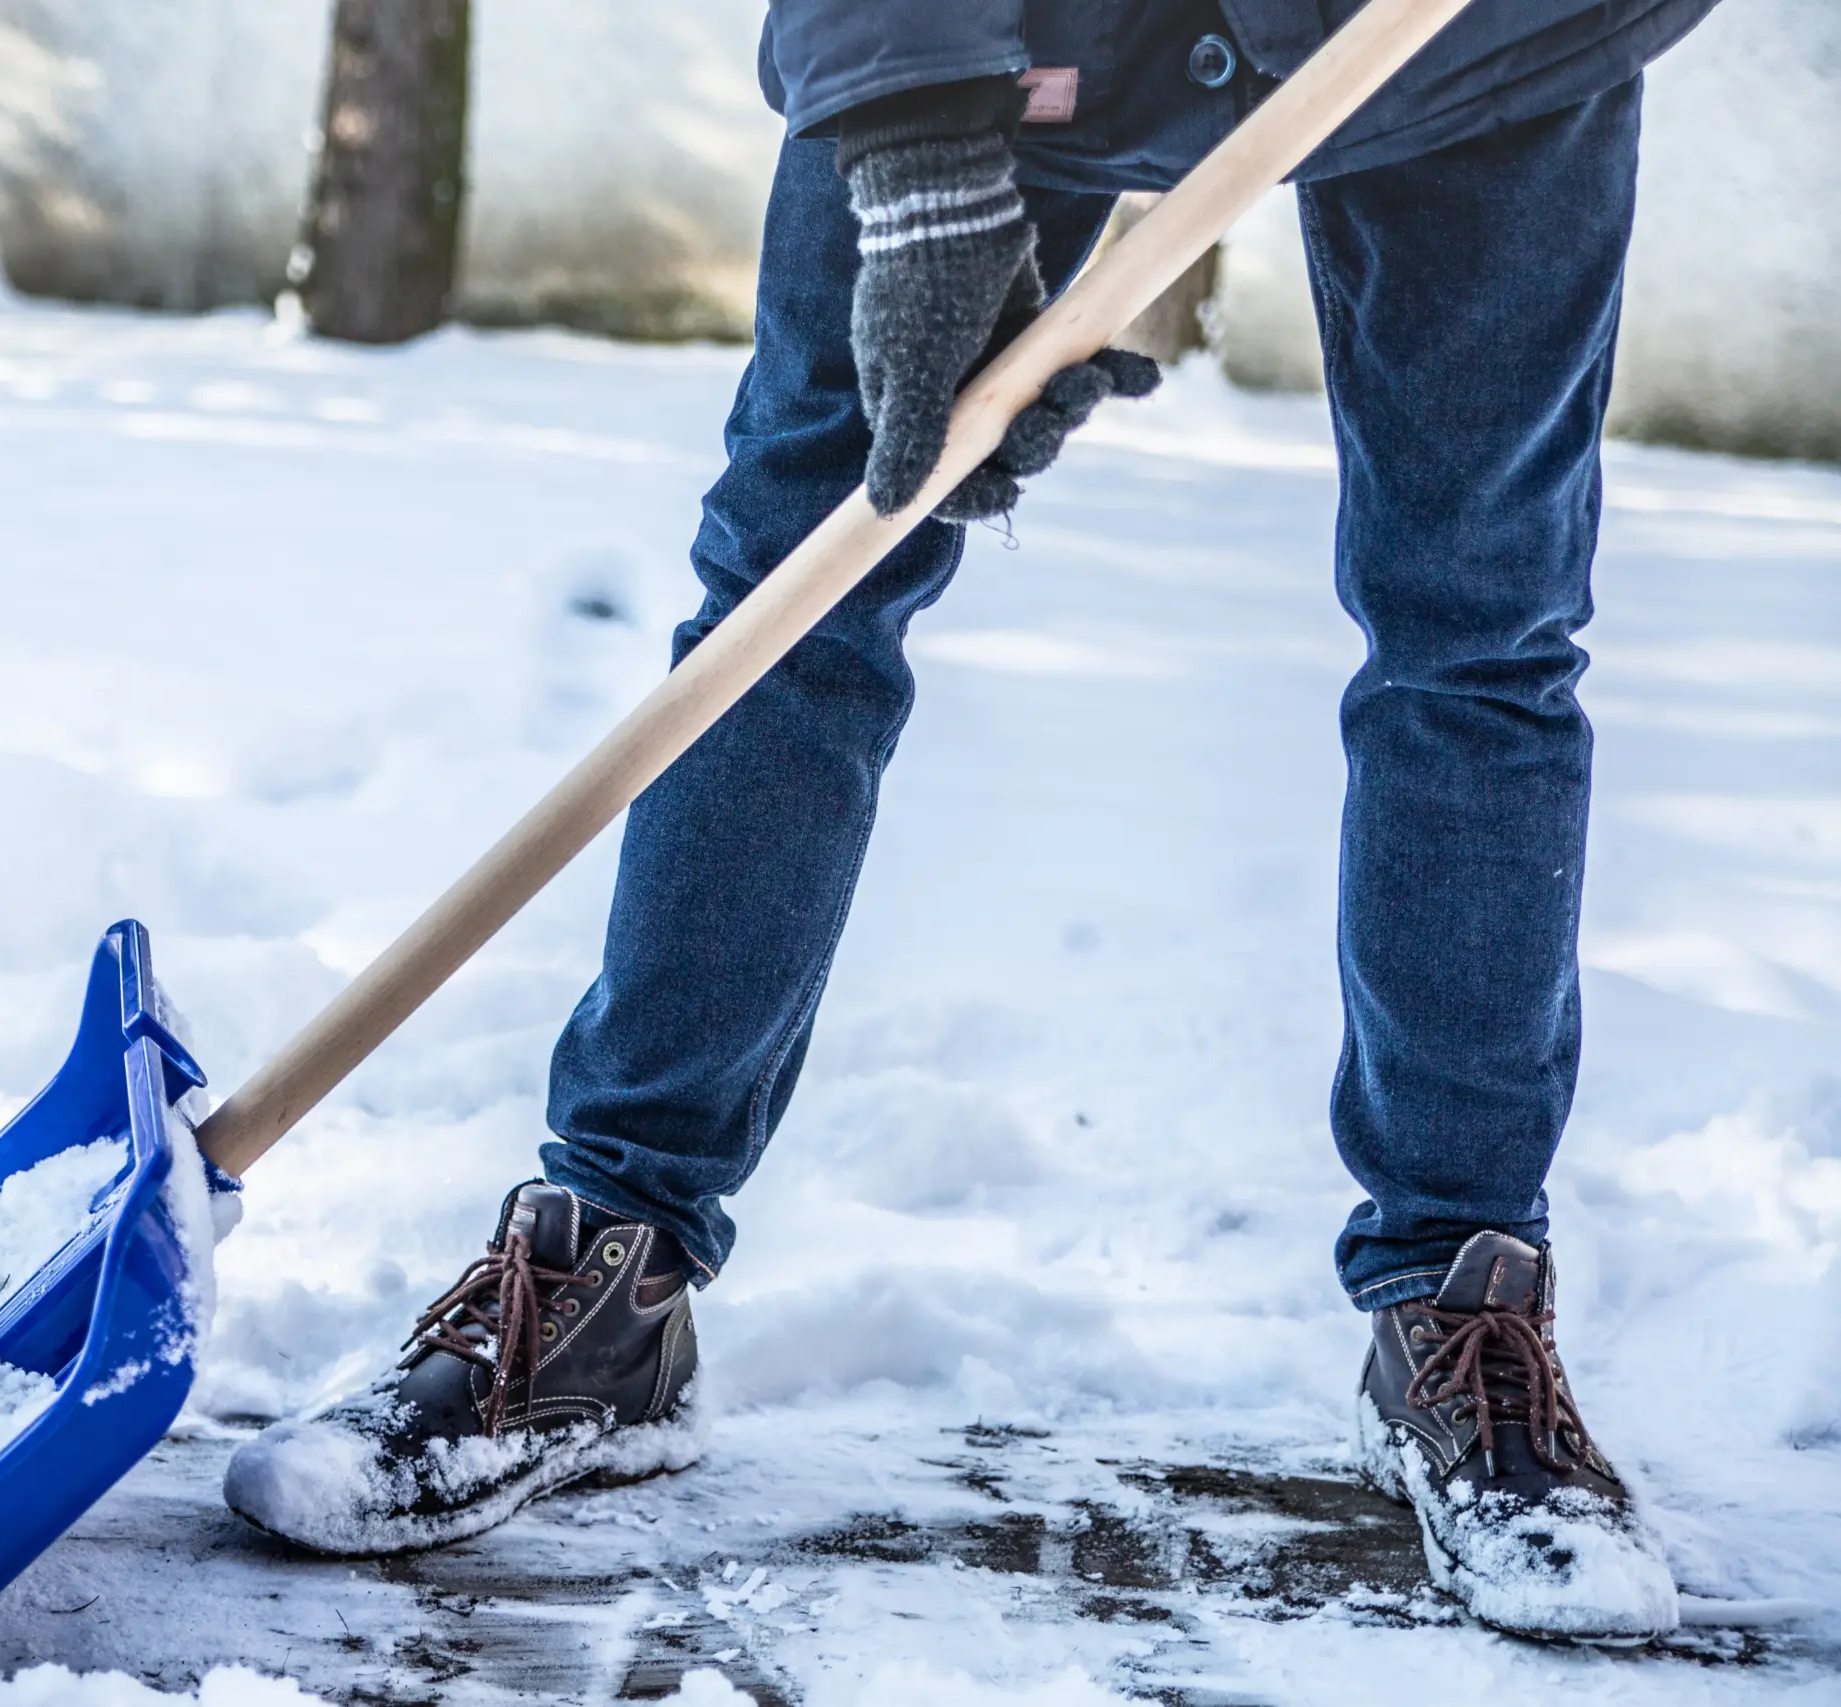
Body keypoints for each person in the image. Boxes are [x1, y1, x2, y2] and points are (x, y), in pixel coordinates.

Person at [224, 0, 1721, 1641]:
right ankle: (611, 1269)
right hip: (1000, 25)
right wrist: (926, 159)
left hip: (1478, 45)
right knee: (803, 577)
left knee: (1482, 627)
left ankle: (1465, 1302)